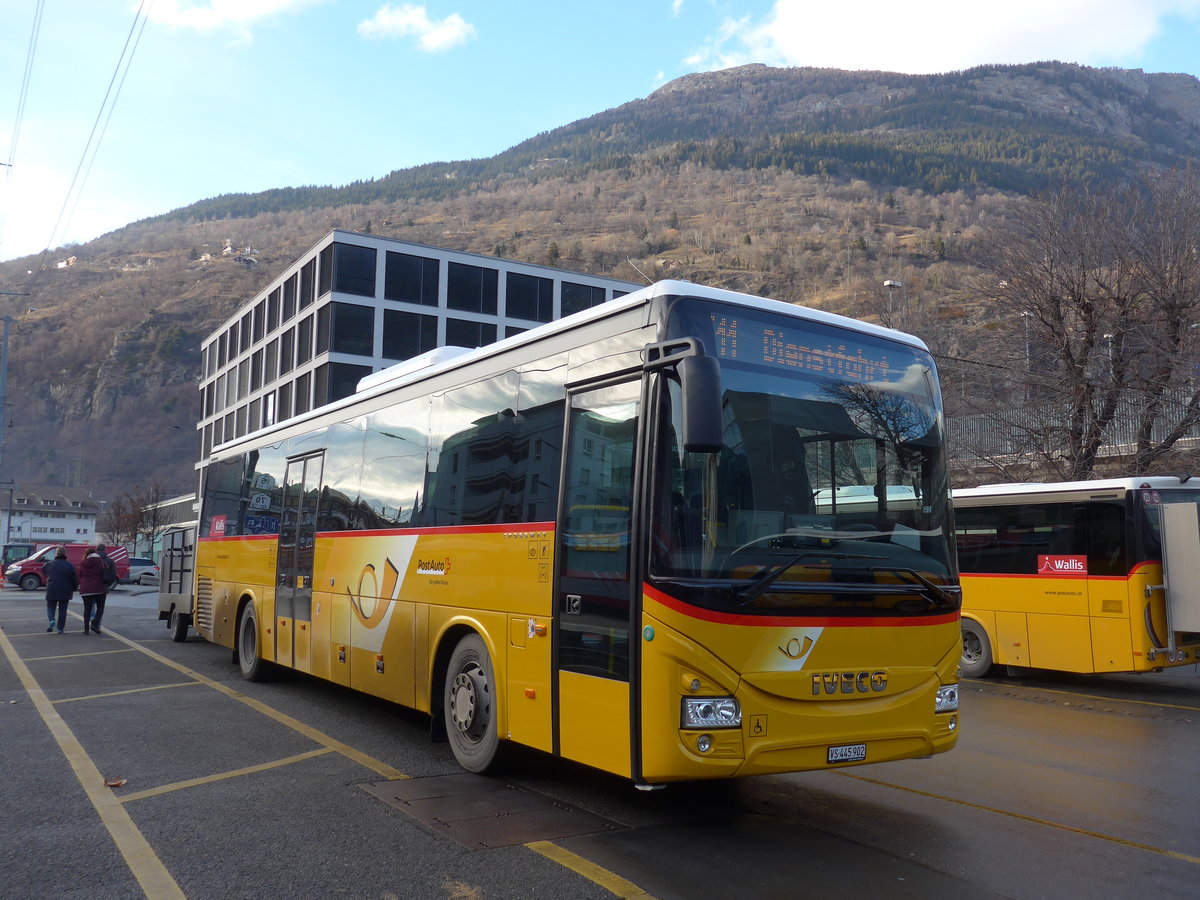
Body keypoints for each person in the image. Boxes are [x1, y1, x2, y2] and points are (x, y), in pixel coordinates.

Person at [43, 546, 79, 633]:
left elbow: (43, 570)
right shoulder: (69, 565)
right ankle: (60, 628)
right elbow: (74, 579)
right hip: (65, 589)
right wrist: (74, 588)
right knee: (63, 610)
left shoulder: (49, 564)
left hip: (52, 588)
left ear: (56, 554)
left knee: (51, 607)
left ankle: (51, 620)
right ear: (65, 554)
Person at [79, 546, 108, 635]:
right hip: (99, 588)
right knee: (100, 607)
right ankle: (95, 624)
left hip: (86, 588)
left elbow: (80, 575)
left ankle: (86, 629)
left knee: (87, 608)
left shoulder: (84, 562)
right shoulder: (101, 562)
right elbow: (106, 572)